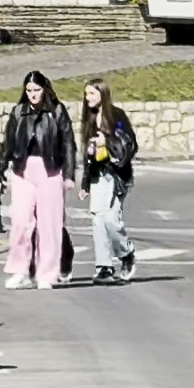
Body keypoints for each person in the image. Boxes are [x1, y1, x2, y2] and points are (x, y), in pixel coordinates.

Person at [0, 70, 76, 290]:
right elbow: (8, 143)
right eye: (29, 90)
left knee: (49, 225)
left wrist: (69, 175)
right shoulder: (18, 112)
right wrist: (0, 170)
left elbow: (68, 143)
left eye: (37, 90)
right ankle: (19, 270)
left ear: (45, 89)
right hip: (23, 170)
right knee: (21, 222)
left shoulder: (57, 111)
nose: (33, 94)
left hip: (50, 169)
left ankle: (47, 274)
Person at [79, 79, 138, 285]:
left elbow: (130, 144)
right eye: (86, 95)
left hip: (116, 174)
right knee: (98, 220)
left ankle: (126, 252)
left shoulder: (117, 116)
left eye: (92, 94)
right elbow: (88, 153)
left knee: (112, 219)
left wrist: (108, 141)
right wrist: (85, 183)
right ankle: (104, 266)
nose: (88, 99)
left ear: (103, 94)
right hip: (97, 175)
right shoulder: (89, 118)